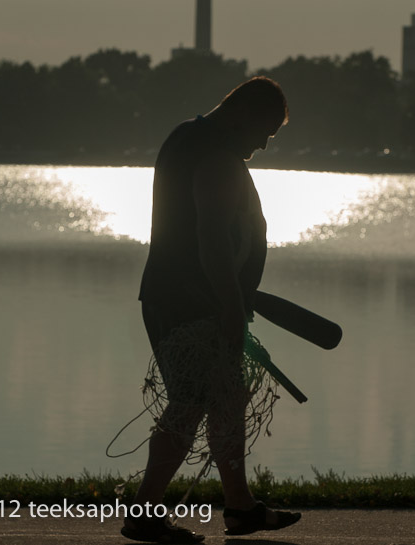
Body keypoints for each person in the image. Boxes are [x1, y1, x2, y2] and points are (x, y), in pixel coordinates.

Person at [121, 77, 301, 544]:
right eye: (264, 132)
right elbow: (213, 239)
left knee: (225, 398)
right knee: (193, 400)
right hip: (191, 301)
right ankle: (144, 513)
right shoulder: (216, 156)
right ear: (241, 114)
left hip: (178, 296)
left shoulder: (186, 136)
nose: (262, 145)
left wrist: (233, 295)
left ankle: (241, 508)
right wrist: (230, 301)